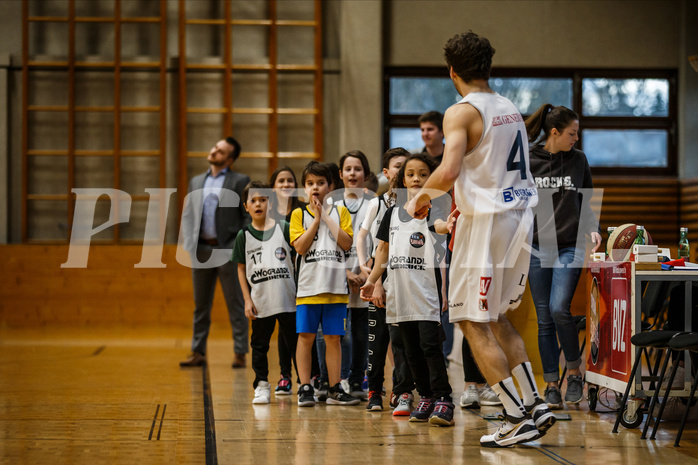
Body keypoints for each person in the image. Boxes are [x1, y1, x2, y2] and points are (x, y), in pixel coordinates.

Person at [407, 31, 556, 447]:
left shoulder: (461, 111)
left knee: (470, 320)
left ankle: (513, 417)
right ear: (488, 67)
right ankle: (534, 403)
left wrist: (419, 199)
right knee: (496, 317)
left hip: (487, 224)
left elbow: (450, 168)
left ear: (452, 71)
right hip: (520, 217)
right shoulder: (509, 107)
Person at [362, 153, 456, 426]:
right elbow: (382, 251)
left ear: (432, 181)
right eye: (411, 174)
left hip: (425, 293)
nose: (416, 178)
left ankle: (443, 398)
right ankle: (425, 396)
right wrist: (372, 280)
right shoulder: (391, 213)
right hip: (398, 295)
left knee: (430, 348)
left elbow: (437, 226)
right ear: (401, 180)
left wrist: (446, 226)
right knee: (409, 350)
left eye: (423, 174)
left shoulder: (434, 210)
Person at [524, 104, 602, 408]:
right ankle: (552, 384)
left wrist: (592, 229)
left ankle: (574, 371)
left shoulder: (578, 160)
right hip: (535, 247)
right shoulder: (529, 160)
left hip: (570, 245)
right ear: (554, 132)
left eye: (577, 133)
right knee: (544, 319)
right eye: (572, 133)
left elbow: (588, 200)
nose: (576, 139)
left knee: (559, 308)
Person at [290, 161, 360, 407]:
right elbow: (299, 246)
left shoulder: (341, 213)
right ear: (304, 189)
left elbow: (346, 243)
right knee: (306, 337)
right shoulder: (298, 214)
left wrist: (326, 217)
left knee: (333, 339)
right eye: (310, 184)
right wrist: (316, 219)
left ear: (331, 186)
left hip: (335, 290)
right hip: (309, 288)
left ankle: (334, 387)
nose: (315, 188)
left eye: (320, 183)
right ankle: (305, 386)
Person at [179, 137, 251, 369]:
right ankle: (198, 351)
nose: (214, 151)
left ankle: (240, 352)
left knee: (235, 302)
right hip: (200, 249)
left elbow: (246, 215)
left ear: (229, 159)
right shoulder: (196, 180)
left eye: (220, 151)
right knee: (200, 305)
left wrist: (237, 244)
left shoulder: (239, 180)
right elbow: (189, 213)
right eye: (215, 148)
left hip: (227, 249)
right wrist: (189, 242)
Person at [357, 148, 413, 413]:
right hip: (380, 273)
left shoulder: (416, 205)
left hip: (406, 277)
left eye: (407, 167)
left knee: (401, 340)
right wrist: (369, 272)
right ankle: (374, 391)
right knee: (377, 340)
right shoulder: (378, 203)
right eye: (397, 166)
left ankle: (402, 391)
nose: (402, 172)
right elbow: (366, 238)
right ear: (386, 173)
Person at [232, 181, 298, 404]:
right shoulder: (243, 235)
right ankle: (261, 384)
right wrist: (246, 299)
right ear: (246, 206)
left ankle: (306, 383)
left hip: (289, 299)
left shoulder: (285, 228)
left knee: (296, 342)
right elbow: (241, 268)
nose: (258, 203)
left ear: (270, 204)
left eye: (263, 199)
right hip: (261, 301)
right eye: (253, 200)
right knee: (259, 345)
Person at [268, 166, 308, 395]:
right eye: (281, 181)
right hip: (278, 276)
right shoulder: (268, 212)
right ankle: (285, 375)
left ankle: (307, 377)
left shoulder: (303, 210)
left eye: (290, 180)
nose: (285, 184)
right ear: (273, 186)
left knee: (300, 327)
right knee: (282, 327)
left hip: (303, 275)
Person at [336, 150, 373, 399]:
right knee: (341, 335)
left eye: (357, 169)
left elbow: (379, 243)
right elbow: (326, 246)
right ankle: (340, 380)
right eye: (348, 169)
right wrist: (346, 272)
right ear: (340, 175)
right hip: (338, 278)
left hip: (367, 277)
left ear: (366, 175)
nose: (352, 173)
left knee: (361, 334)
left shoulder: (374, 205)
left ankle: (359, 382)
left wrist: (365, 271)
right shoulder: (332, 206)